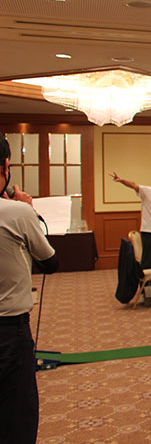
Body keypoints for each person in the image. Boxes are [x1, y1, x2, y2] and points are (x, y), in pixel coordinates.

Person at [0, 135, 59, 444]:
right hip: (9, 332)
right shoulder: (16, 213)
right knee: (16, 415)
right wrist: (28, 210)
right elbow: (50, 262)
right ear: (5, 166)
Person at [109, 171, 151, 268]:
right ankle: (144, 278)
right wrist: (121, 180)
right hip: (149, 231)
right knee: (148, 261)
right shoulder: (148, 191)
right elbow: (134, 185)